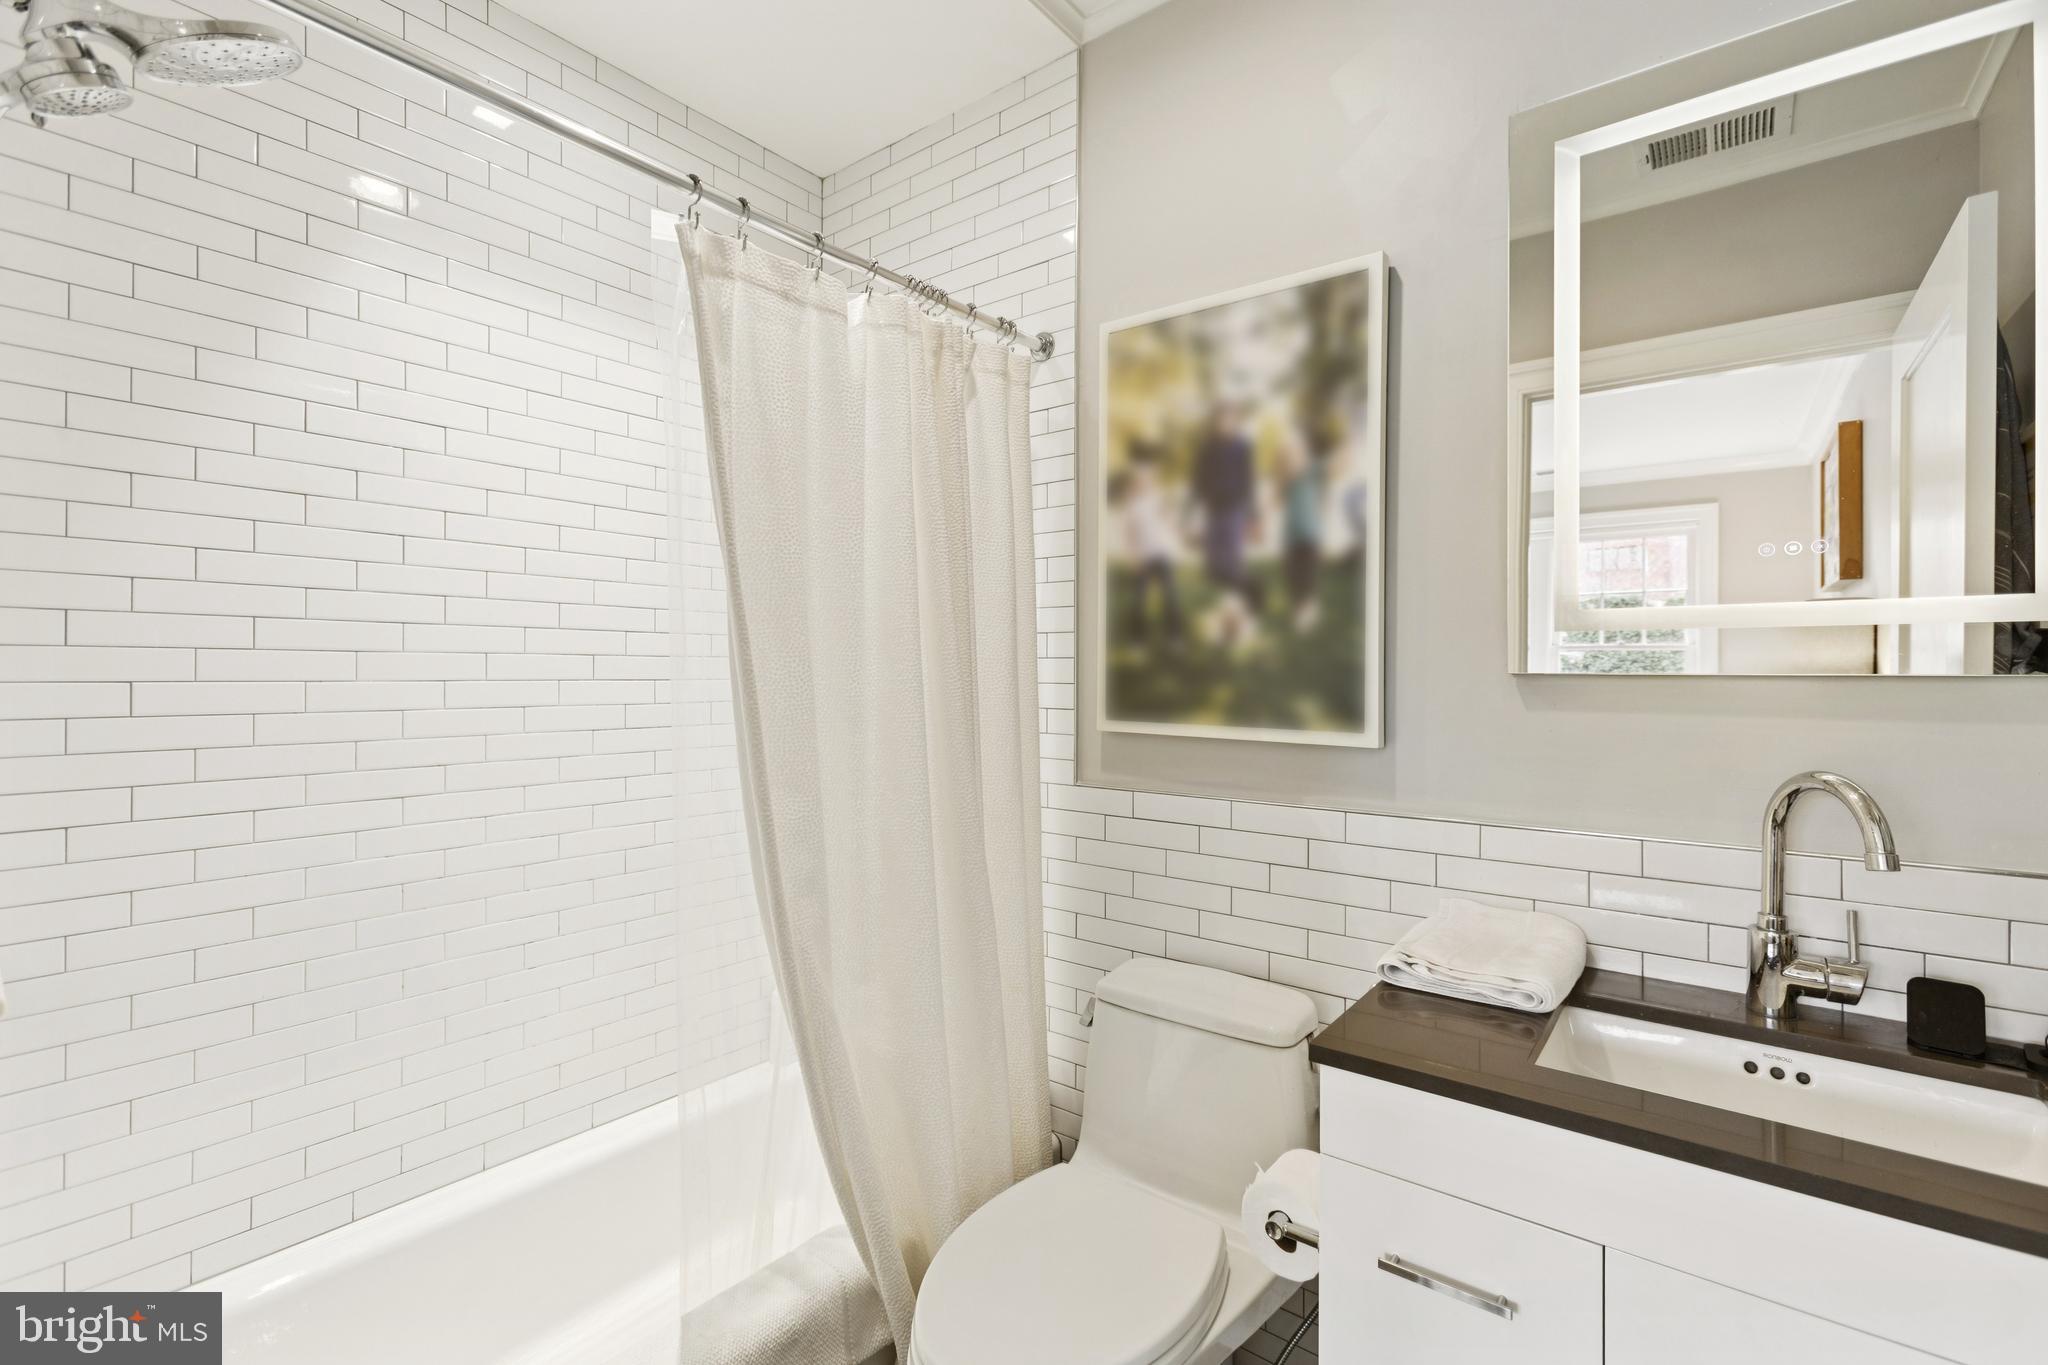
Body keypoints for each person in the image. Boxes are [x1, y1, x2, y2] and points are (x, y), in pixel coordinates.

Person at [1192, 402, 1259, 646]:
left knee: (1231, 565)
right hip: (1213, 511)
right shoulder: (1207, 449)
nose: (1225, 423)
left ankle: (1235, 624)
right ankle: (1248, 597)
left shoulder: (1242, 448)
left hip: (1235, 510)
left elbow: (1249, 482)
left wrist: (1253, 517)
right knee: (1214, 567)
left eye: (1230, 419)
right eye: (1221, 419)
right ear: (1215, 421)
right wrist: (1191, 515)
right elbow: (1198, 483)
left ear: (1235, 421)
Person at [1114, 449, 1183, 643]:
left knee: (1171, 595)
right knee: (1139, 599)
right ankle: (1137, 636)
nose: (1145, 481)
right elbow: (1129, 533)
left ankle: (1174, 635)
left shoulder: (1158, 497)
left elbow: (1170, 521)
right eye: (1141, 478)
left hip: (1162, 553)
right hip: (1143, 556)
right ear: (1136, 481)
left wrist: (1175, 542)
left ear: (1153, 479)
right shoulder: (1131, 503)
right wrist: (1133, 557)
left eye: (1149, 477)